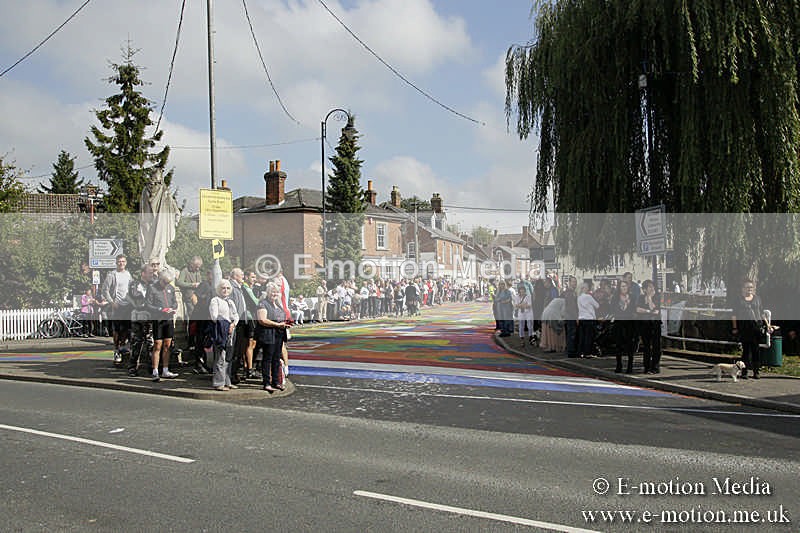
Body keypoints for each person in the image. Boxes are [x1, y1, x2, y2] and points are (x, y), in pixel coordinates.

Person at [731, 279, 773, 379]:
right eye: (747, 287)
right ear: (742, 289)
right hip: (744, 329)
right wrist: (735, 327)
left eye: (751, 287)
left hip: (756, 328)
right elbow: (734, 315)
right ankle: (744, 372)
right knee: (746, 351)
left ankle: (756, 371)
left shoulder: (757, 299)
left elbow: (762, 313)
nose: (749, 289)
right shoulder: (738, 300)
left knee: (756, 350)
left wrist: (767, 325)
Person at [255, 282, 290, 392]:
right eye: (272, 292)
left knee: (276, 358)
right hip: (268, 335)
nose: (274, 294)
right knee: (267, 359)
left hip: (279, 335)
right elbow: (262, 320)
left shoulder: (278, 304)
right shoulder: (263, 303)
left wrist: (284, 324)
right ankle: (266, 382)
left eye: (276, 292)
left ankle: (276, 381)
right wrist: (277, 324)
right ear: (268, 293)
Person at [146, 270, 179, 382]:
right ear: (160, 280)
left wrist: (173, 308)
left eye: (168, 282)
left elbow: (175, 302)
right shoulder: (152, 288)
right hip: (158, 319)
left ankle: (165, 369)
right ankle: (155, 370)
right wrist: (160, 310)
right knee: (157, 344)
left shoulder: (171, 288)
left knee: (167, 345)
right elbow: (148, 304)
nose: (166, 285)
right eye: (165, 282)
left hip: (168, 319)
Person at [100, 254, 132, 364]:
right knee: (117, 329)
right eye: (119, 261)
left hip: (127, 305)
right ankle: (116, 350)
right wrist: (112, 302)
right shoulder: (112, 275)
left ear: (126, 262)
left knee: (126, 328)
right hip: (117, 305)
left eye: (123, 261)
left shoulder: (128, 274)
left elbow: (131, 288)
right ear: (116, 263)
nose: (121, 263)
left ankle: (123, 347)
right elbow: (105, 290)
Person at [208, 279, 239, 391]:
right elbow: (214, 317)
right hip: (221, 332)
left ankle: (227, 381)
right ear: (218, 289)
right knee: (220, 357)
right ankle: (218, 383)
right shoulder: (215, 300)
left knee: (229, 358)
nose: (225, 290)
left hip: (231, 331)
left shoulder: (231, 301)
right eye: (223, 288)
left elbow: (236, 315)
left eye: (227, 288)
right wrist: (227, 325)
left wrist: (233, 324)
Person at [125, 264, 155, 376]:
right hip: (138, 316)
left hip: (150, 317)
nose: (152, 275)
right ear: (143, 273)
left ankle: (151, 367)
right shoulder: (135, 284)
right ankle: (132, 367)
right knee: (136, 342)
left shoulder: (154, 284)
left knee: (150, 342)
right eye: (150, 273)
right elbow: (137, 297)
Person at [611, 279, 637, 373]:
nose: (624, 288)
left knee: (630, 345)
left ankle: (630, 367)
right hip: (619, 323)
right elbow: (613, 309)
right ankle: (619, 366)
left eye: (625, 286)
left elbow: (634, 310)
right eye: (622, 286)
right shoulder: (615, 298)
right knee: (619, 345)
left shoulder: (632, 297)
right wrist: (624, 305)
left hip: (629, 323)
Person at [636, 279, 662, 374]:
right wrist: (648, 311)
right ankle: (646, 366)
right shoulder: (641, 298)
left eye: (652, 287)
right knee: (646, 346)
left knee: (656, 346)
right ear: (644, 289)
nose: (652, 289)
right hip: (644, 324)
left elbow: (655, 309)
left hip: (655, 324)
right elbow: (638, 309)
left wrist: (650, 299)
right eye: (649, 287)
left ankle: (655, 367)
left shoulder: (656, 297)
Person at [577, 281, 599, 358]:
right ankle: (587, 353)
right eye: (587, 287)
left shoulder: (579, 297)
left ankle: (580, 352)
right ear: (585, 288)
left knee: (582, 337)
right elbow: (597, 305)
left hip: (581, 318)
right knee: (588, 337)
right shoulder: (588, 297)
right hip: (589, 318)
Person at [561, 276, 579, 358]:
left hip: (569, 316)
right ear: (569, 282)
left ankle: (571, 350)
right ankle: (571, 352)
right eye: (573, 282)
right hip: (570, 316)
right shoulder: (569, 293)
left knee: (570, 334)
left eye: (575, 281)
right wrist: (576, 317)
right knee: (571, 334)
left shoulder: (572, 292)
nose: (574, 283)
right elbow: (571, 307)